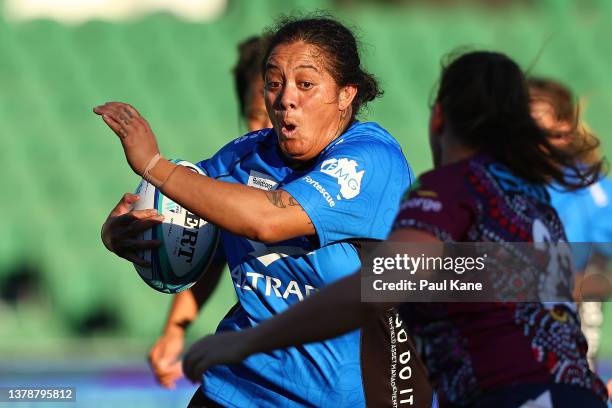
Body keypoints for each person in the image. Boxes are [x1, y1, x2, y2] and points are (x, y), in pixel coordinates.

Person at [180, 51, 609, 407]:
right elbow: (575, 277)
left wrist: (247, 342)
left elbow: (380, 285)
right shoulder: (534, 202)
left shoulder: (448, 190)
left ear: (438, 119)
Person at [95, 16, 433, 408]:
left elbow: (268, 220)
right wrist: (117, 233)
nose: (285, 98)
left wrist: (154, 164)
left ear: (346, 94)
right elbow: (194, 223)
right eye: (274, 83)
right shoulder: (244, 156)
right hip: (236, 392)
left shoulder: (372, 160)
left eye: (305, 84)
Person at [145, 34, 272, 390]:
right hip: (246, 377)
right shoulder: (237, 176)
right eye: (255, 116)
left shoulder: (333, 178)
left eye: (276, 112)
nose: (267, 128)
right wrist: (174, 331)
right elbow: (207, 253)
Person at [529, 77, 612, 373]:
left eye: (536, 121)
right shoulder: (493, 186)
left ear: (564, 128)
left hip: (570, 342)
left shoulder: (593, 193)